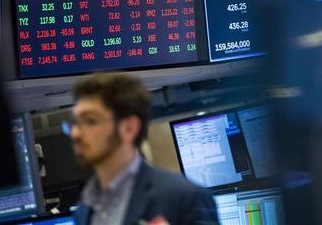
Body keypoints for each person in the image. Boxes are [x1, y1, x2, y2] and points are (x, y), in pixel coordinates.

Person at [66, 73, 219, 225]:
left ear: (128, 129)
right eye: (74, 123)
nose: (75, 133)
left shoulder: (184, 197)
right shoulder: (84, 209)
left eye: (90, 121)